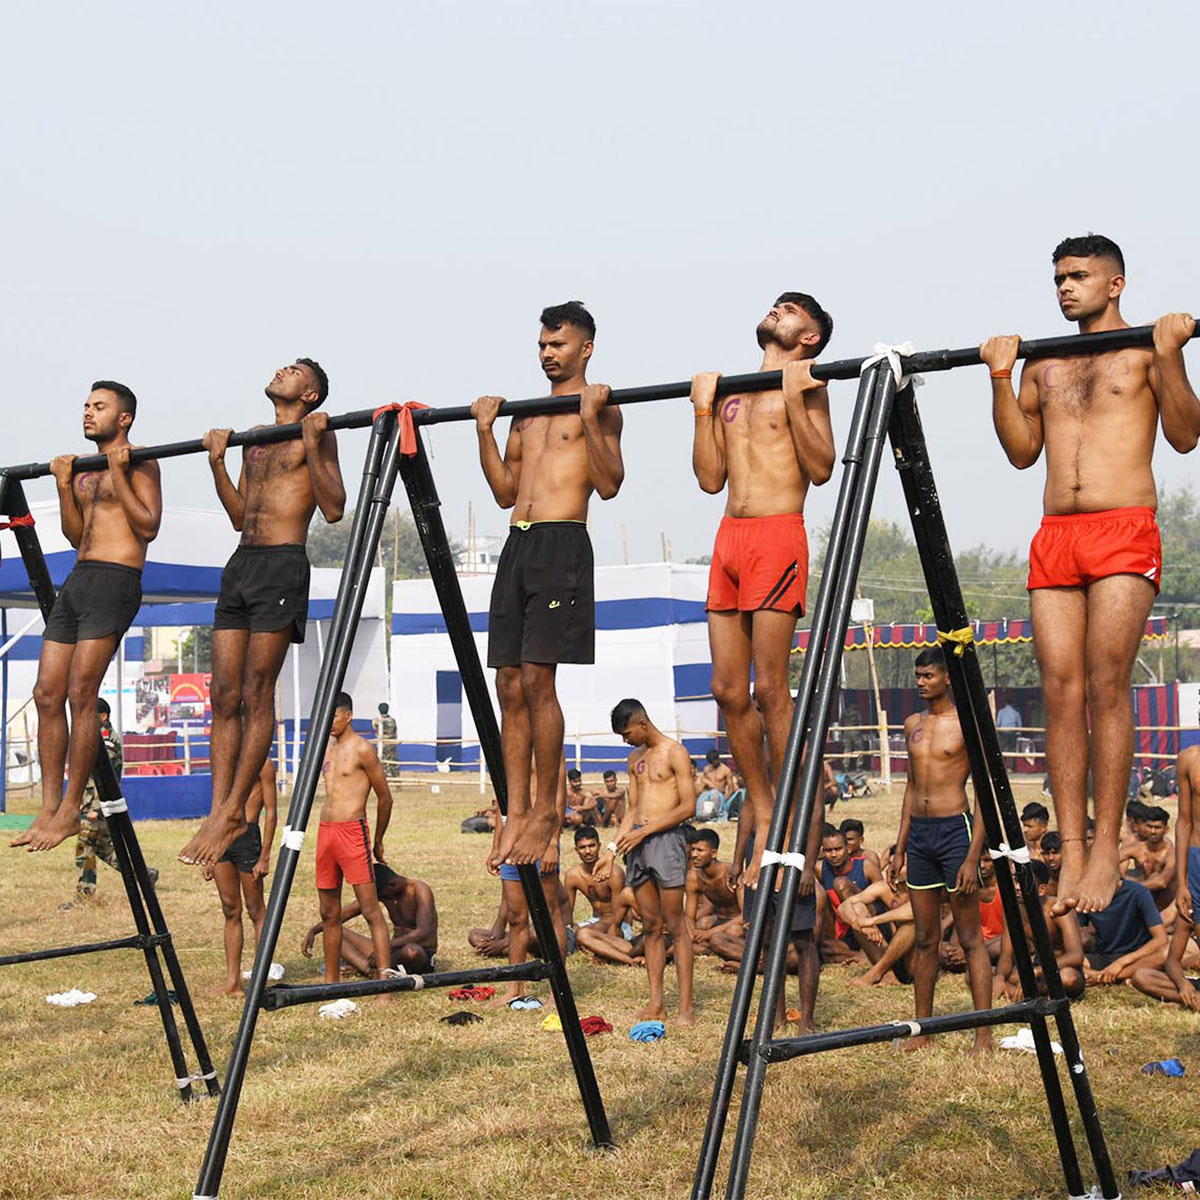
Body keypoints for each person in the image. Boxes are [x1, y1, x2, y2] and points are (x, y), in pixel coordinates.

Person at [982, 233, 1200, 914]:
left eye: (1078, 276)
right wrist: (999, 377)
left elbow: (1186, 435)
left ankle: (1107, 848)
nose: (1065, 288)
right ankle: (1072, 848)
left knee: (1107, 681)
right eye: (1058, 279)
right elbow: (1021, 451)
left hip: (1123, 526)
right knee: (1059, 687)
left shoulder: (1144, 351)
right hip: (1057, 533)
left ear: (1115, 284)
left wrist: (1171, 355)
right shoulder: (1044, 363)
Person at [690, 293, 836, 890]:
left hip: (777, 533)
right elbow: (709, 479)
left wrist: (797, 396)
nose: (778, 310)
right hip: (729, 536)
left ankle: (794, 813)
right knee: (727, 688)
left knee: (770, 686)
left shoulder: (809, 383)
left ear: (810, 337)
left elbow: (822, 467)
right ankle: (764, 804)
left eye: (791, 309)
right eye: (777, 304)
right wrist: (703, 409)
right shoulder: (732, 391)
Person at [472, 302, 624, 872]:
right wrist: (485, 431)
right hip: (518, 543)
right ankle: (514, 810)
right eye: (542, 345)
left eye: (557, 344)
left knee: (538, 678)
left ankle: (546, 812)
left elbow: (609, 484)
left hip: (563, 541)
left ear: (585, 348)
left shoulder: (602, 406)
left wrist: (589, 418)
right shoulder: (527, 415)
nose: (547, 353)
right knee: (508, 682)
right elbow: (504, 493)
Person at [181, 359, 344, 867]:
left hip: (282, 563)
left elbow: (334, 508)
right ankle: (219, 811)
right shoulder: (253, 439)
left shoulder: (318, 433)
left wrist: (313, 445)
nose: (280, 371)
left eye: (293, 371)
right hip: (242, 563)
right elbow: (238, 516)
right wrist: (217, 463)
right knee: (222, 694)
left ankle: (236, 809)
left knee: (256, 689)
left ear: (310, 393)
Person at [15, 381, 162, 852]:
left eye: (99, 406)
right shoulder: (82, 470)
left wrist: (119, 472)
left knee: (82, 691)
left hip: (116, 579)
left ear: (124, 418)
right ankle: (49, 806)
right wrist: (63, 485)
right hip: (78, 579)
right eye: (86, 405)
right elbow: (77, 535)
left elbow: (148, 526)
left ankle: (71, 808)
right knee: (46, 693)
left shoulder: (140, 461)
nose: (88, 412)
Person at [890, 647, 992, 1053]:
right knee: (925, 938)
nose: (920, 682)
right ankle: (923, 1031)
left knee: (969, 938)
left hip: (955, 832)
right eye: (918, 676)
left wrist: (973, 855)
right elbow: (910, 786)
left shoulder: (967, 723)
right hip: (920, 836)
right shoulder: (912, 724)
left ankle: (983, 1033)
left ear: (947, 678)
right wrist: (900, 847)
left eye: (928, 676)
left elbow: (984, 793)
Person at [611, 698, 697, 1024]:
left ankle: (685, 1007)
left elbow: (688, 807)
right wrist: (612, 849)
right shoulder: (634, 759)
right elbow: (632, 809)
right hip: (637, 844)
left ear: (643, 723)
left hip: (666, 841)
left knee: (676, 925)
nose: (626, 740)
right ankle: (656, 1002)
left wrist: (645, 831)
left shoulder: (675, 752)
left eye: (627, 733)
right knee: (650, 926)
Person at [313, 693, 394, 997]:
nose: (329, 723)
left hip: (352, 832)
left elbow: (385, 797)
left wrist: (378, 839)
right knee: (328, 912)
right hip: (326, 832)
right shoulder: (326, 749)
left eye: (334, 716)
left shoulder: (362, 749)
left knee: (371, 910)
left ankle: (385, 985)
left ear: (348, 716)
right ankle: (331, 983)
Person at [486, 759, 570, 1008]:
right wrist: (496, 846)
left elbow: (558, 795)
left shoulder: (546, 745)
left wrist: (553, 843)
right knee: (516, 917)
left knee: (551, 915)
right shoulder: (507, 749)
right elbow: (503, 803)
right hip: (512, 839)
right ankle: (514, 988)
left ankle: (557, 991)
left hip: (541, 838)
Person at [1130, 744, 1200, 1007]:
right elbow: (1185, 821)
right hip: (1197, 856)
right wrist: (1182, 883)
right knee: (1142, 976)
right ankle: (1191, 998)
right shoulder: (1189, 759)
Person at [207, 759, 277, 995]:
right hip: (221, 836)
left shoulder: (262, 763)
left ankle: (260, 978)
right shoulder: (225, 757)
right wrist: (210, 849)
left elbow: (271, 811)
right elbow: (216, 807)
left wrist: (265, 855)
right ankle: (232, 982)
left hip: (248, 835)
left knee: (256, 909)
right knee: (230, 908)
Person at [303, 862, 437, 975]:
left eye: (383, 896)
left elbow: (422, 932)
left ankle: (378, 966)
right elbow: (345, 913)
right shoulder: (386, 891)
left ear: (392, 885)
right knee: (333, 933)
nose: (383, 899)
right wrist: (314, 930)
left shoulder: (420, 890)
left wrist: (384, 947)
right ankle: (369, 970)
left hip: (419, 951)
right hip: (392, 950)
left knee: (411, 952)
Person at [63, 699, 134, 906]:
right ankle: (145, 874)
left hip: (99, 804)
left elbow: (104, 777)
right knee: (104, 848)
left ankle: (85, 895)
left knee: (85, 845)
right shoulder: (96, 739)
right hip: (92, 803)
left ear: (103, 716)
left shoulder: (107, 742)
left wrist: (94, 807)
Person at [993, 860, 1085, 1000]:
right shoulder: (1013, 911)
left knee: (1068, 978)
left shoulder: (1057, 908)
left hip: (1062, 969)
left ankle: (1029, 991)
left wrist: (1036, 972)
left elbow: (1076, 956)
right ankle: (1031, 991)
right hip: (1037, 970)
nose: (1017, 887)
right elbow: (1006, 955)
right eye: (1016, 881)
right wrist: (999, 977)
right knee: (984, 974)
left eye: (1023, 883)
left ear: (1041, 889)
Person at [1078, 876, 1167, 986]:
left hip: (1137, 956)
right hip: (1105, 954)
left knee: (1163, 956)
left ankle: (1104, 977)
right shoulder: (1086, 895)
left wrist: (1121, 963)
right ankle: (1106, 976)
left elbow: (1161, 939)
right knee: (1070, 961)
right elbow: (1081, 931)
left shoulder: (1138, 892)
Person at [685, 828, 741, 951]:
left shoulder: (731, 873)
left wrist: (710, 933)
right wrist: (692, 934)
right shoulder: (693, 877)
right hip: (718, 919)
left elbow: (745, 916)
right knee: (702, 924)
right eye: (693, 849)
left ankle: (707, 946)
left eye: (700, 850)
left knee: (733, 931)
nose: (694, 855)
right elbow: (689, 917)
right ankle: (708, 946)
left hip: (737, 922)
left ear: (714, 853)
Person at [1121, 804, 1176, 912]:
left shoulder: (1170, 852)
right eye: (1149, 827)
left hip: (1167, 903)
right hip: (1145, 898)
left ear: (1166, 829)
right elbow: (1110, 863)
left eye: (1157, 828)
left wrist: (1128, 887)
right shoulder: (1136, 848)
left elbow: (1162, 882)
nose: (1153, 831)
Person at [695, 750, 736, 821]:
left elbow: (731, 788)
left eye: (714, 762)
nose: (713, 764)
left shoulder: (726, 770)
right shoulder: (706, 769)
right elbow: (703, 784)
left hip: (719, 795)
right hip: (707, 794)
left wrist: (724, 800)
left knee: (711, 813)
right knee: (700, 815)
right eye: (711, 762)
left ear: (718, 759)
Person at [375, 702, 399, 779]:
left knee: (382, 762)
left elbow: (376, 730)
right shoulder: (392, 720)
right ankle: (396, 778)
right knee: (393, 762)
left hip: (382, 745)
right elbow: (395, 732)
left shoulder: (376, 721)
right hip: (391, 744)